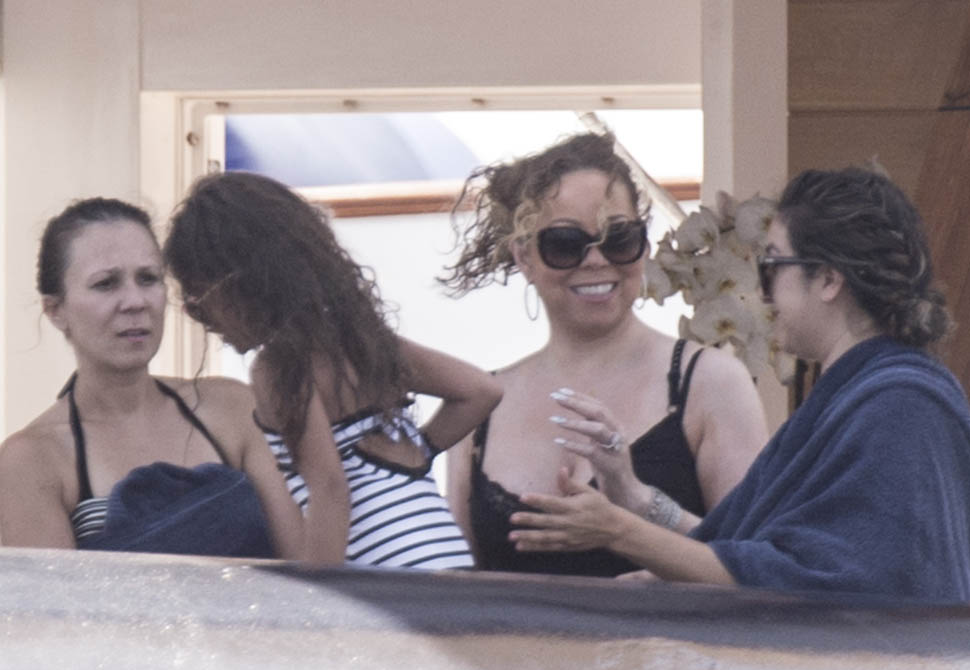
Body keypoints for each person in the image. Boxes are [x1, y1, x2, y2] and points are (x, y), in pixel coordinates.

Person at [509, 166, 970, 601]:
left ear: (829, 279)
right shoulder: (857, 396)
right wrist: (634, 499)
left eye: (772, 267)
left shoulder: (901, 408)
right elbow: (746, 548)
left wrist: (618, 531)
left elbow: (816, 583)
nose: (763, 294)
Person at [439, 132, 769, 576]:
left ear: (644, 246)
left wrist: (638, 508)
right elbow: (458, 586)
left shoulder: (711, 382)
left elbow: (754, 565)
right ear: (525, 258)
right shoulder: (482, 406)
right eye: (564, 243)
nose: (595, 261)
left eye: (619, 239)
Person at [164, 171, 503, 570]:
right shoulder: (363, 342)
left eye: (197, 298)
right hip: (446, 559)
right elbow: (481, 390)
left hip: (394, 577)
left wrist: (317, 599)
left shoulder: (277, 369)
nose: (198, 317)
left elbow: (329, 489)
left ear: (240, 285)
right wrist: (417, 452)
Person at [0, 198, 327, 560]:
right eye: (106, 284)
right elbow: (52, 596)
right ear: (55, 310)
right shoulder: (32, 460)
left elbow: (305, 567)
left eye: (148, 279)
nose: (135, 301)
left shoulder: (232, 407)